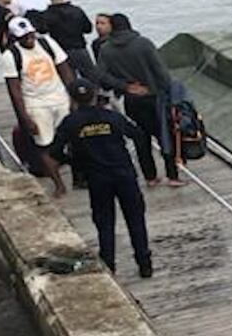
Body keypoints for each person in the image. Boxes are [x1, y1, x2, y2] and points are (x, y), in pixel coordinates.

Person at [49, 79, 154, 278]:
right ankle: (144, 263)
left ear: (72, 98)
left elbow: (54, 151)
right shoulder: (112, 117)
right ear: (95, 95)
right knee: (136, 220)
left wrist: (75, 162)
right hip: (124, 174)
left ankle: (109, 266)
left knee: (105, 223)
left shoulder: (71, 123)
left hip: (97, 178)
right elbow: (138, 135)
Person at [95, 13, 184, 187]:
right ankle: (172, 176)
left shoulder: (106, 49)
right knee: (164, 136)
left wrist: (124, 86)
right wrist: (164, 90)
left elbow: (101, 75)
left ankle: (150, 177)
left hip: (131, 100)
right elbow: (161, 72)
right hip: (154, 98)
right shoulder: (144, 44)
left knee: (140, 139)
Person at [1, 16, 75, 196]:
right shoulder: (11, 56)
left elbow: (64, 69)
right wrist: (24, 117)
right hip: (37, 104)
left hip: (60, 98)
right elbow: (15, 90)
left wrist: (74, 97)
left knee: (73, 139)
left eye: (30, 34)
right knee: (44, 146)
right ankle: (58, 184)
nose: (29, 39)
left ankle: (79, 176)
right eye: (24, 37)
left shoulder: (47, 43)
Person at [39, 0, 96, 75]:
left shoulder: (47, 15)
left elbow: (42, 30)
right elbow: (88, 29)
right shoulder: (76, 10)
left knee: (69, 82)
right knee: (92, 80)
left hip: (61, 53)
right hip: (80, 50)